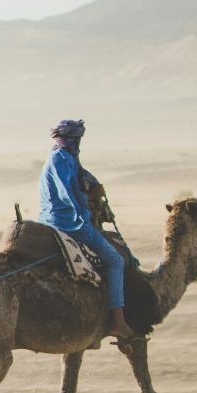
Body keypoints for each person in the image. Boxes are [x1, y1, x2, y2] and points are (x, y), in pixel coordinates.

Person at [36, 119, 135, 340]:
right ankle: (117, 322)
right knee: (115, 260)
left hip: (55, 218)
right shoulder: (60, 159)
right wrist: (88, 202)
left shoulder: (65, 158)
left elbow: (80, 181)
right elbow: (68, 194)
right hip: (68, 222)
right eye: (76, 138)